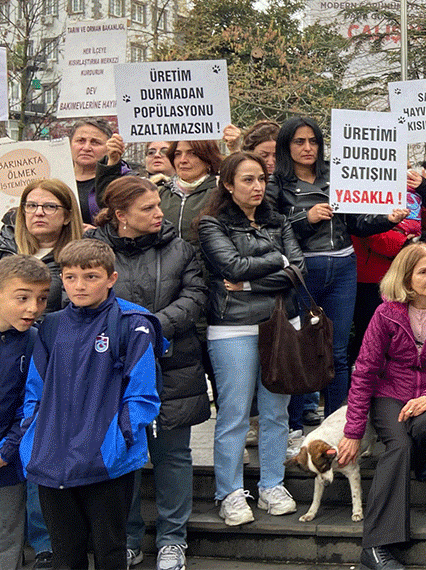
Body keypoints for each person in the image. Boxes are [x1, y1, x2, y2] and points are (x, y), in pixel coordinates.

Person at [88, 176, 208, 570]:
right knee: (124, 455)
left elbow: (194, 298)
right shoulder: (95, 251)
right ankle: (128, 537)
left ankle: (174, 538)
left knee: (173, 455)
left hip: (172, 364)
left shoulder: (182, 249)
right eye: (148, 208)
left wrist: (150, 326)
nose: (159, 213)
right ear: (121, 215)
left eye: (159, 205)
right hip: (111, 367)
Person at [21, 239, 161, 570]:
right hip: (53, 457)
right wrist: (33, 439)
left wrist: (118, 440)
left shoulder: (133, 323)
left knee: (110, 551)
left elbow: (143, 395)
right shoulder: (51, 326)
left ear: (111, 278)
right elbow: (34, 391)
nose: (79, 286)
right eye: (70, 277)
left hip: (105, 460)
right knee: (65, 555)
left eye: (90, 276)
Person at [338, 243, 426, 570]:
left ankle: (425, 449)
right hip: (390, 392)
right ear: (406, 277)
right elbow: (365, 370)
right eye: (423, 271)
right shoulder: (386, 312)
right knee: (398, 446)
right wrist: (353, 433)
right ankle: (376, 547)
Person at [268, 117, 405, 425]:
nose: (307, 148)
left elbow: (358, 222)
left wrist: (389, 219)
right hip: (303, 270)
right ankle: (294, 426)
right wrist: (306, 218)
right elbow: (270, 228)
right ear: (286, 146)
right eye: (299, 142)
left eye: (313, 141)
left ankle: (337, 425)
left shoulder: (337, 174)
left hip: (343, 267)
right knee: (301, 348)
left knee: (338, 352)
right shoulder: (276, 183)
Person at [198, 151, 306, 526]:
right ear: (228, 184)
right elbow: (231, 266)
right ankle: (229, 492)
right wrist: (277, 263)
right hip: (233, 326)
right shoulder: (212, 224)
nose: (257, 186)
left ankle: (272, 485)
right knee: (234, 414)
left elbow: (298, 268)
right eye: (247, 179)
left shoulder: (280, 220)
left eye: (261, 178)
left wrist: (248, 282)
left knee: (277, 412)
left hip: (281, 324)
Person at [0, 255, 50, 570]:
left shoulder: (38, 344)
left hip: (3, 470)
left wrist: (0, 456)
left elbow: (32, 411)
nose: (33, 307)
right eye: (22, 297)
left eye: (42, 298)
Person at [0, 177, 83, 313]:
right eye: (31, 206)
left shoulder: (80, 259)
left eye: (50, 206)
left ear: (67, 216)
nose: (39, 213)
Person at [159, 140, 224, 248]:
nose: (183, 160)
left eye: (192, 153)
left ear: (208, 159)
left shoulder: (220, 192)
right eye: (178, 154)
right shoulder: (161, 192)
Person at [73, 119, 131, 225]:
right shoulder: (55, 177)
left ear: (109, 147)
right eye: (81, 141)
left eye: (95, 142)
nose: (86, 148)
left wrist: (97, 234)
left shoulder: (124, 180)